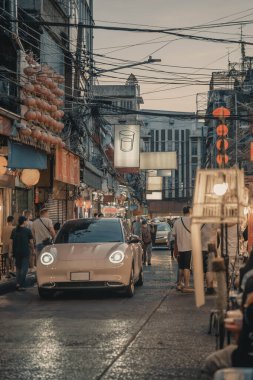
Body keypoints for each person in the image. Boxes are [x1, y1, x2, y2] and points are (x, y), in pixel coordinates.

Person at [201, 276, 253, 379]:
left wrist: (242, 329)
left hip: (246, 357)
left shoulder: (250, 284)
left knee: (210, 363)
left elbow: (243, 340)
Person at [9, 216, 34, 291]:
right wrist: (33, 250)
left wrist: (10, 252)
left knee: (18, 269)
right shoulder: (27, 230)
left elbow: (11, 242)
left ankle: (17, 284)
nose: (27, 222)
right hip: (25, 251)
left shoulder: (14, 230)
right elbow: (31, 242)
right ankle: (20, 284)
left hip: (16, 252)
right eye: (26, 221)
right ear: (24, 222)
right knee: (24, 269)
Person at [172, 206, 193, 292]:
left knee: (181, 267)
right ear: (190, 211)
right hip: (189, 247)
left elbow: (174, 234)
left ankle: (179, 284)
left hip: (179, 247)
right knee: (187, 267)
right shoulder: (192, 221)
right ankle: (187, 285)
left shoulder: (177, 221)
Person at [201, 223, 218, 295]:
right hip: (210, 248)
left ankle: (201, 288)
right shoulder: (212, 223)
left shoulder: (199, 223)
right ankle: (209, 288)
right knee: (209, 270)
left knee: (202, 270)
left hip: (200, 249)